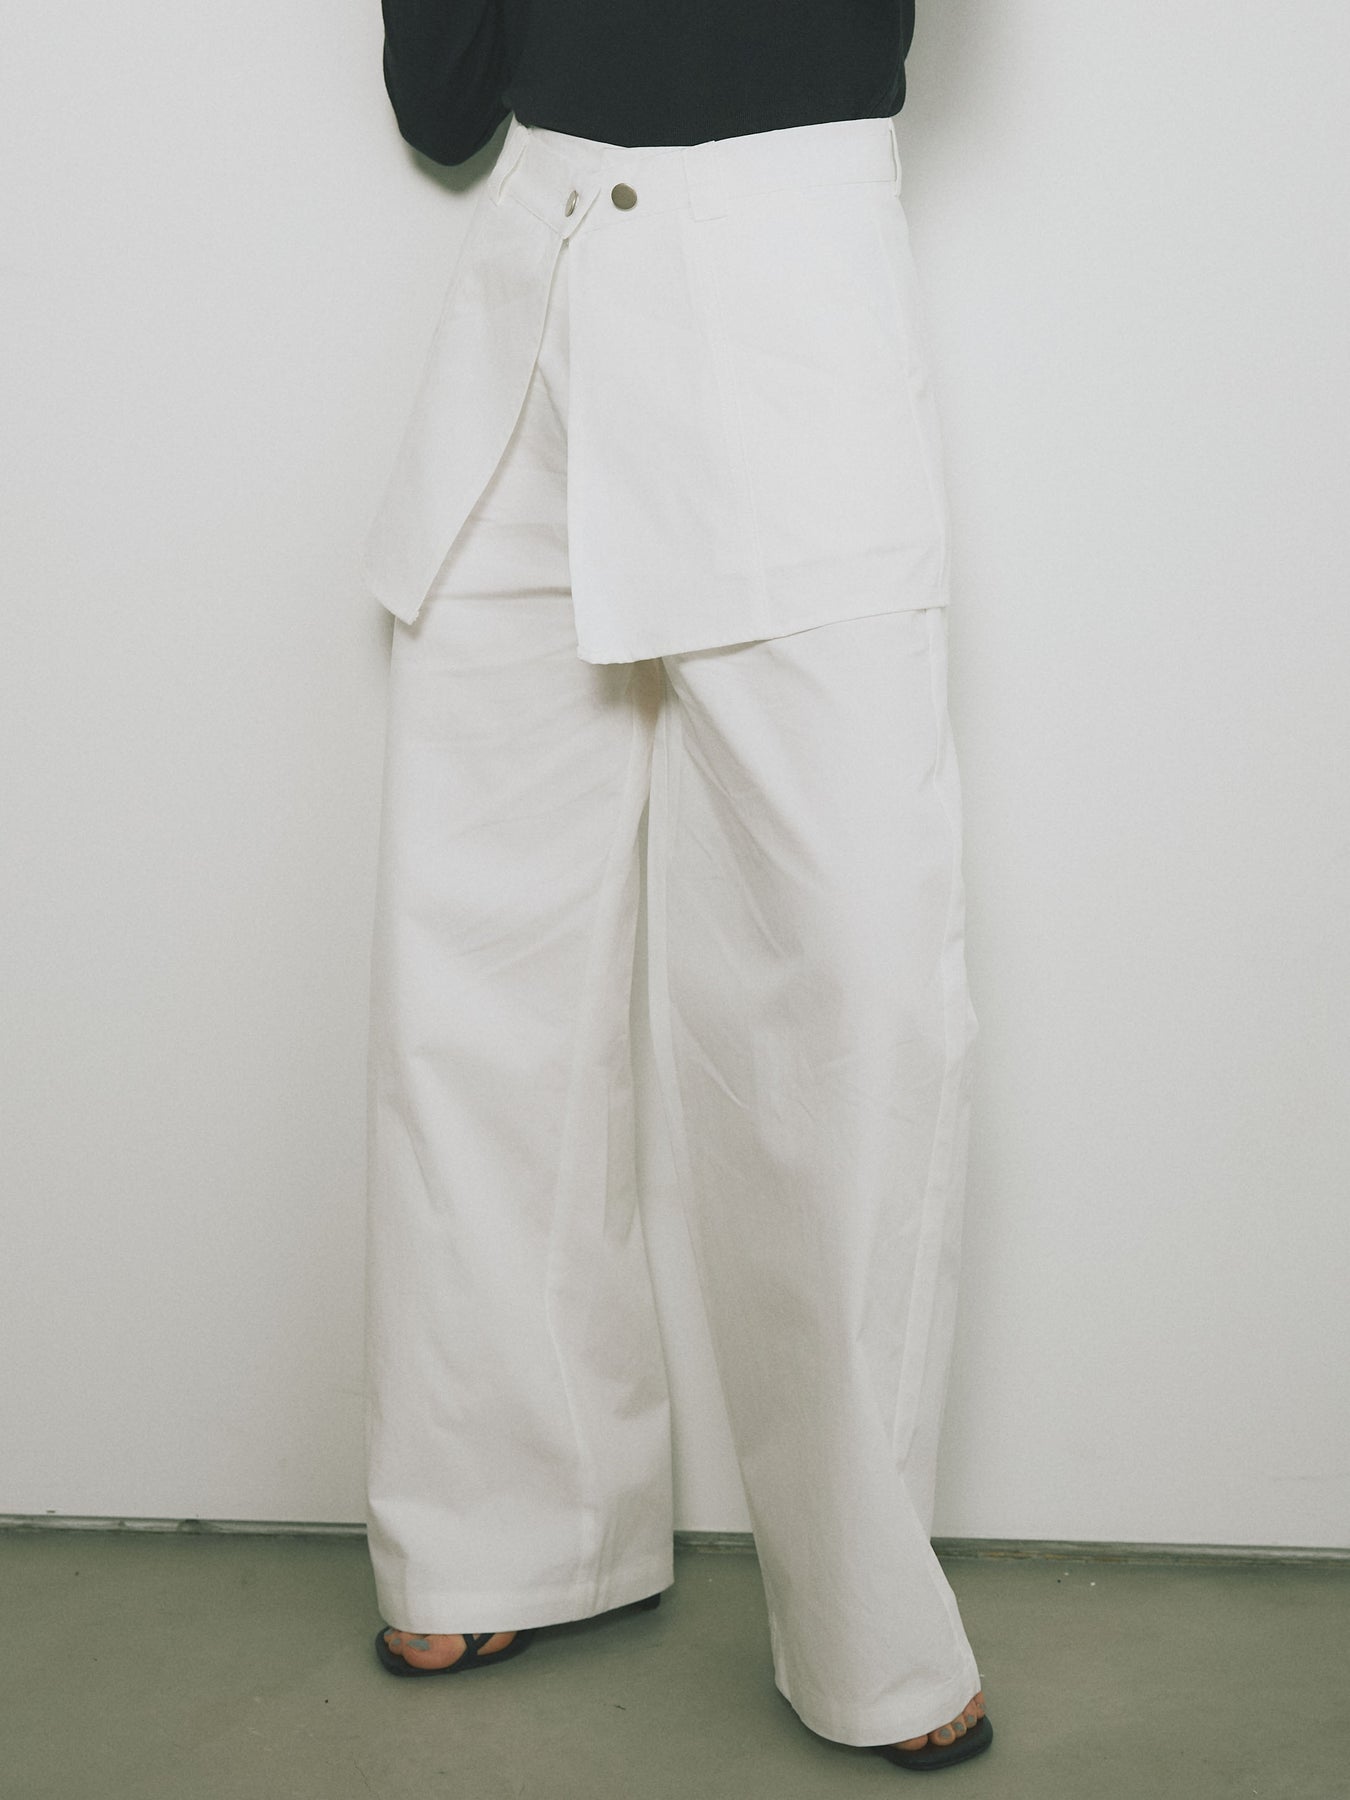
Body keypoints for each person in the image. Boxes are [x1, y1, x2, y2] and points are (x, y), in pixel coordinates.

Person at [361, 0, 993, 1775]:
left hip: (785, 284)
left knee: (847, 988)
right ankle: (496, 1530)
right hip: (540, 291)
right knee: (475, 966)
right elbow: (441, 100)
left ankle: (865, 1622)